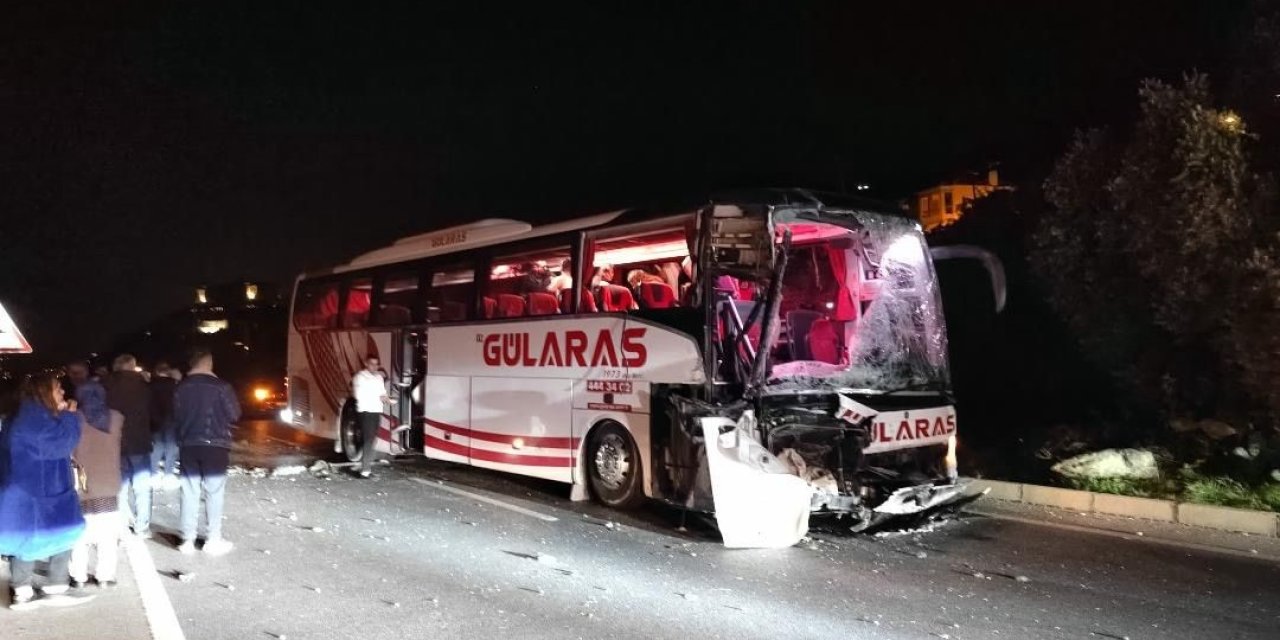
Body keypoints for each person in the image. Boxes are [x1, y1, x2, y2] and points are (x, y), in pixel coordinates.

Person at [0, 373, 93, 609]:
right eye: (58, 388)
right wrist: (70, 417)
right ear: (43, 392)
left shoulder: (31, 414)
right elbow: (62, 442)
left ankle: (50, 586)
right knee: (31, 538)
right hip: (34, 494)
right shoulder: (33, 419)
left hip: (37, 491)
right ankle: (24, 591)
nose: (63, 393)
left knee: (50, 536)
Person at [171, 349, 240, 555]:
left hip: (188, 445)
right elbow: (235, 414)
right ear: (208, 363)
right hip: (215, 446)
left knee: (189, 490)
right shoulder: (222, 387)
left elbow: (175, 416)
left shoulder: (180, 388)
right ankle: (212, 539)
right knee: (214, 492)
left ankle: (187, 540)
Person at [69, 403, 123, 589]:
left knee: (79, 534)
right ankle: (105, 577)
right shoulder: (116, 417)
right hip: (108, 485)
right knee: (107, 534)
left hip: (82, 485)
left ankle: (78, 577)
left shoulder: (74, 418)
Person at [105, 354, 152, 537]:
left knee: (119, 486)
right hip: (139, 441)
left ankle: (121, 523)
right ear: (133, 366)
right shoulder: (145, 386)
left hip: (115, 442)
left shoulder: (105, 385)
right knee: (142, 486)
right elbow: (155, 412)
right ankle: (142, 527)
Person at [351, 355, 388, 479]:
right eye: (371, 363)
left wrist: (387, 400)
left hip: (376, 410)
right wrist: (377, 397)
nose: (374, 366)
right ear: (366, 364)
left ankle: (366, 468)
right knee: (368, 440)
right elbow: (358, 395)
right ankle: (365, 471)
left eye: (376, 364)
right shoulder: (360, 377)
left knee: (372, 440)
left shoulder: (379, 378)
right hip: (365, 411)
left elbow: (383, 394)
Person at [149, 362, 181, 488]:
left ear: (156, 372)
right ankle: (168, 473)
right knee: (171, 447)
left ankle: (153, 473)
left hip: (155, 419)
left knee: (157, 446)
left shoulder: (150, 385)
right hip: (171, 418)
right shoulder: (175, 385)